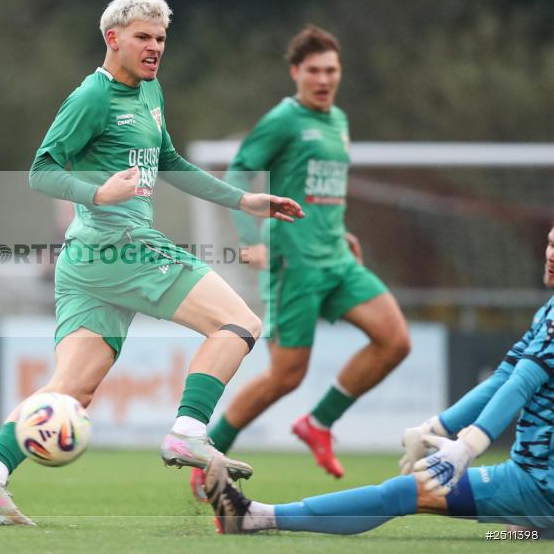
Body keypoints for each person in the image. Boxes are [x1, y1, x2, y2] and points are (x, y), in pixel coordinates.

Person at [0, 0, 304, 526]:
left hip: (89, 262)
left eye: (161, 38)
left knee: (73, 390)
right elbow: (40, 170)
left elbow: (170, 162)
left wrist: (244, 199)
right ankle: (189, 432)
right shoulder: (91, 98)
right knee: (239, 322)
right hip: (118, 248)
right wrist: (100, 194)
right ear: (112, 38)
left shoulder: (151, 92)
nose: (155, 47)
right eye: (143, 36)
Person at [203, 222, 554, 536]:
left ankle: (254, 517)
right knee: (519, 531)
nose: (551, 255)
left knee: (404, 493)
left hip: (539, 483)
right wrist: (437, 427)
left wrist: (467, 447)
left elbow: (520, 383)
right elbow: (503, 378)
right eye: (551, 244)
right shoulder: (548, 310)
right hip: (531, 473)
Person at [191, 25, 410, 495]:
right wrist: (253, 238)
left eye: (331, 70)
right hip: (295, 265)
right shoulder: (284, 119)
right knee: (286, 376)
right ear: (296, 72)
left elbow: (319, 185)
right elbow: (239, 172)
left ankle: (319, 423)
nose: (323, 79)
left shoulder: (340, 120)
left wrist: (339, 228)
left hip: (337, 257)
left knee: (394, 341)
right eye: (313, 70)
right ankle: (208, 452)